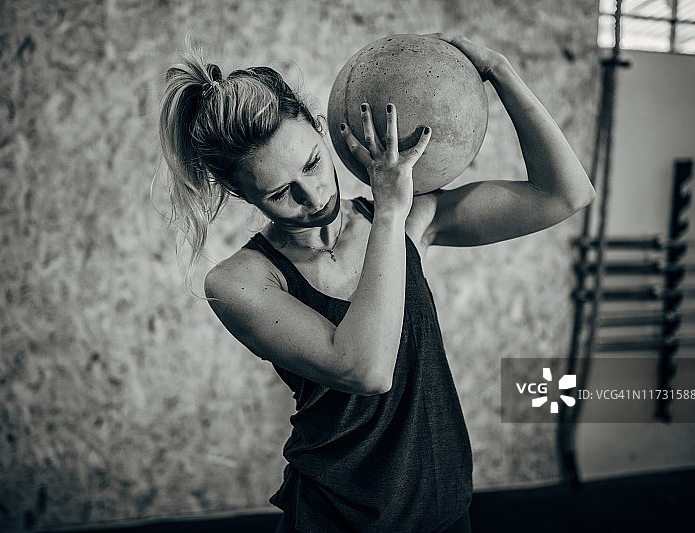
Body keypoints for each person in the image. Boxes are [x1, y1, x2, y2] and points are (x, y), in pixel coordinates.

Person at [157, 33, 594, 533]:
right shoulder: (241, 282)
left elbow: (563, 194)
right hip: (338, 520)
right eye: (281, 191)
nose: (312, 193)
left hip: (443, 508)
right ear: (239, 192)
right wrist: (389, 211)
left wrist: (500, 71)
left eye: (313, 163)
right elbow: (365, 369)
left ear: (323, 131)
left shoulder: (411, 220)